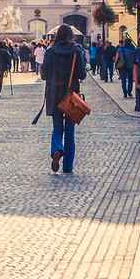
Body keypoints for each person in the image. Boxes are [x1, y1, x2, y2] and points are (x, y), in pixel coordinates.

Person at [41, 23, 86, 174]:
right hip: (70, 94)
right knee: (70, 130)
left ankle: (57, 151)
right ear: (71, 36)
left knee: (57, 127)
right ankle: (68, 166)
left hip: (54, 93)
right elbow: (82, 75)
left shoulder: (50, 51)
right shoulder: (76, 51)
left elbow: (44, 75)